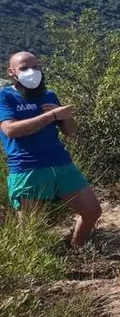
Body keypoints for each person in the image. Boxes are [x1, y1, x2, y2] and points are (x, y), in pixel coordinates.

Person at [0, 52, 101, 247]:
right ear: (12, 72)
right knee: (30, 229)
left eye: (35, 67)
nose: (31, 72)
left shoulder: (49, 95)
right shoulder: (5, 97)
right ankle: (34, 266)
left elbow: (70, 131)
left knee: (92, 211)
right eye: (24, 68)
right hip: (27, 168)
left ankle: (76, 248)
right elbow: (10, 130)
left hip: (61, 163)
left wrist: (64, 116)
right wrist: (51, 116)